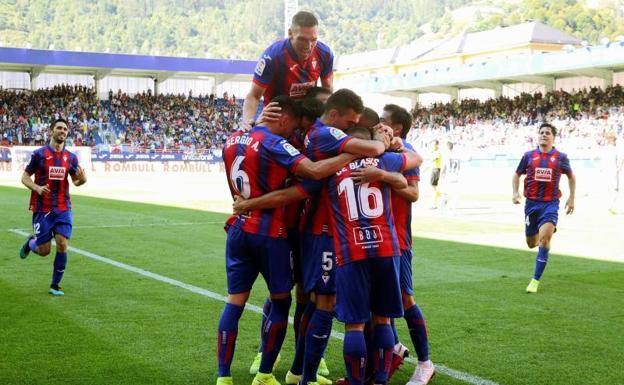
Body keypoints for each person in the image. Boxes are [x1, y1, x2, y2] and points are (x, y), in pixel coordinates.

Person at [216, 96, 356, 385]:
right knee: (281, 301)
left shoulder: (232, 138)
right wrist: (348, 154)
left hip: (238, 228)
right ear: (282, 119)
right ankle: (266, 374)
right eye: (291, 125)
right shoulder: (274, 143)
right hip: (271, 233)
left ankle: (223, 377)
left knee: (234, 303)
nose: (293, 131)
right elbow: (315, 173)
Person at [327, 126, 422, 385]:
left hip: (350, 249)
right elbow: (413, 164)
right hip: (386, 248)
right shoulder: (384, 160)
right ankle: (380, 380)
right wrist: (393, 148)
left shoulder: (330, 166)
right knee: (383, 319)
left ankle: (356, 381)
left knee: (355, 324)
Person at [381, 104, 435, 384]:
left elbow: (414, 193)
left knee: (405, 299)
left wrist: (386, 177)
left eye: (384, 120)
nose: (378, 123)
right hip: (378, 238)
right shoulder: (377, 147)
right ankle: (394, 349)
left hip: (398, 239)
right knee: (379, 302)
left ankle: (425, 363)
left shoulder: (406, 152)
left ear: (397, 128)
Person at [18, 118, 87, 296]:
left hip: (63, 207)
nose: (62, 131)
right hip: (42, 208)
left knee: (63, 243)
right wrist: (37, 188)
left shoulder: (71, 157)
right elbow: (24, 177)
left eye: (65, 129)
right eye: (59, 128)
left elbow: (76, 181)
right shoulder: (39, 154)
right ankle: (31, 243)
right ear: (51, 131)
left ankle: (55, 285)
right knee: (44, 251)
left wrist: (83, 179)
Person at [241, 10, 334, 130]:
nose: (308, 46)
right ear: (290, 33)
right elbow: (254, 95)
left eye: (313, 40)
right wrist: (247, 123)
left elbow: (327, 92)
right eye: (302, 39)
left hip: (307, 119)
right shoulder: (273, 56)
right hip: (277, 120)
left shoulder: (325, 54)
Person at [512, 123, 575, 293]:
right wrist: (515, 193)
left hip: (550, 204)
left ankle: (535, 281)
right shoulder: (529, 156)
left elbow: (571, 177)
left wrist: (571, 198)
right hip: (531, 204)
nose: (544, 135)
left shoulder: (561, 157)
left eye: (547, 133)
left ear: (553, 137)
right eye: (541, 132)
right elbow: (517, 174)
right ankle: (543, 229)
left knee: (544, 240)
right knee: (531, 243)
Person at [439, 141, 461, 214]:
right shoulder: (457, 156)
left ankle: (441, 210)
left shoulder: (446, 156)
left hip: (448, 177)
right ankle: (453, 210)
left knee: (444, 194)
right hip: (456, 177)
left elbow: (443, 169)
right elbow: (459, 168)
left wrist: (440, 178)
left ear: (446, 147)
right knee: (454, 195)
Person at [429, 140, 442, 209]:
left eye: (434, 145)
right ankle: (438, 200)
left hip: (436, 170)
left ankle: (434, 204)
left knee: (433, 188)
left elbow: (432, 159)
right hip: (435, 169)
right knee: (434, 187)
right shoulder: (435, 152)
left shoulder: (438, 152)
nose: (432, 146)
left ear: (437, 145)